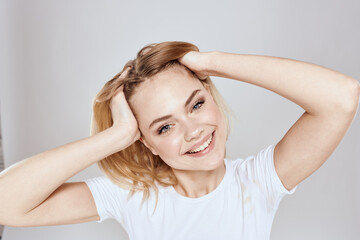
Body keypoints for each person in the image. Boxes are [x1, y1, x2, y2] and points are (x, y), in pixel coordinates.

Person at [0, 41, 359, 240]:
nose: (193, 131)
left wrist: (210, 62)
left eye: (197, 104)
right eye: (164, 128)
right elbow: (5, 204)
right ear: (147, 143)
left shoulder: (259, 180)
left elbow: (341, 97)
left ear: (211, 95)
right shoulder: (131, 196)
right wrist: (118, 136)